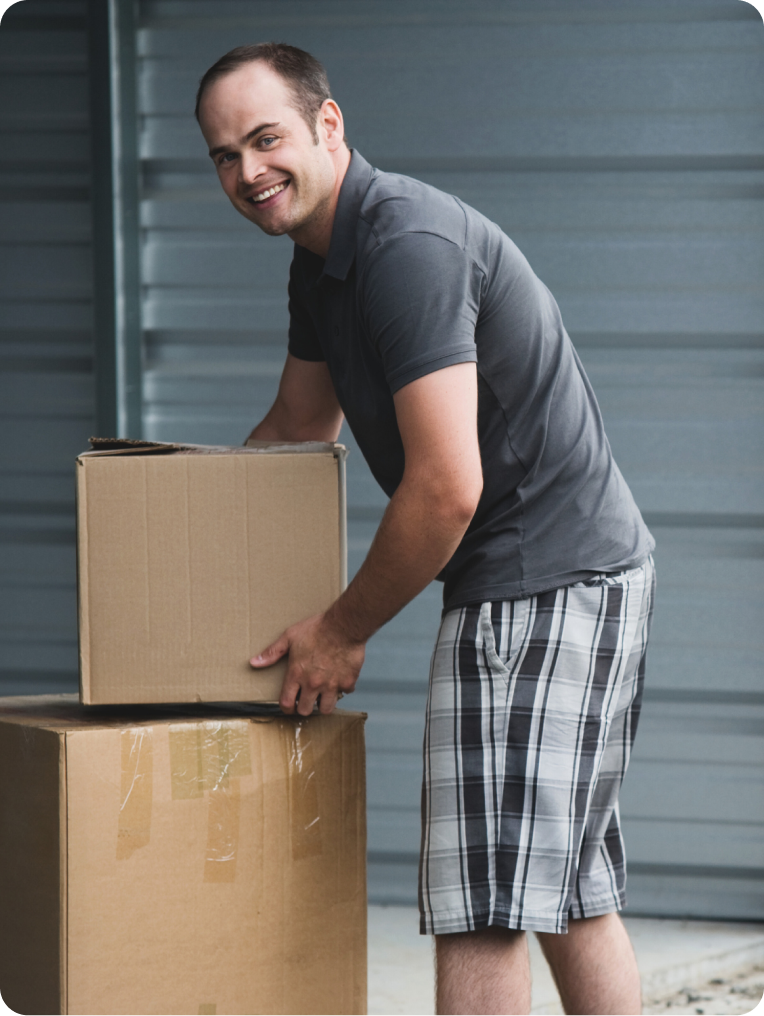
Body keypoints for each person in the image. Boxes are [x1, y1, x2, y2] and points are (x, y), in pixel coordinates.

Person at [195, 42, 655, 1016]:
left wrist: (341, 627)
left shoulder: (403, 246)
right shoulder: (322, 265)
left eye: (265, 138)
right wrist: (175, 534)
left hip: (531, 579)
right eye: (223, 154)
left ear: (329, 125)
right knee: (568, 892)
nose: (246, 173)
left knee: (481, 906)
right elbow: (293, 427)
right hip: (580, 569)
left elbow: (445, 486)